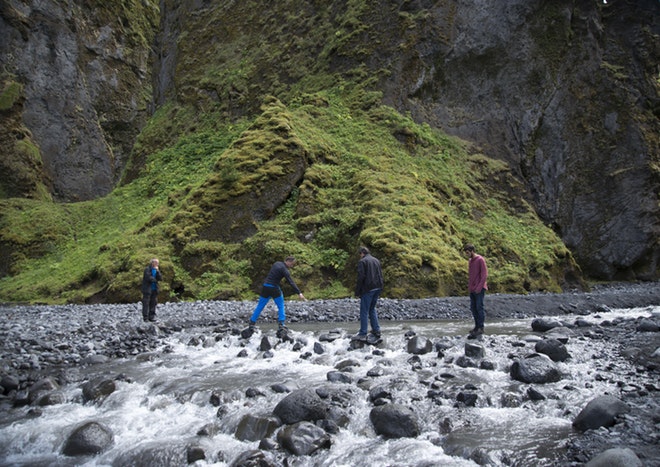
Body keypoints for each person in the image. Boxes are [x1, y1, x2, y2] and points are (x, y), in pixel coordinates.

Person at [249, 256, 305, 330]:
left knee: (260, 306)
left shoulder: (276, 263)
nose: (292, 266)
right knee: (281, 305)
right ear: (288, 261)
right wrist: (299, 293)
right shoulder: (284, 270)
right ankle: (281, 324)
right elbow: (291, 282)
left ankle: (252, 323)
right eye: (292, 264)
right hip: (274, 287)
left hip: (265, 286)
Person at [354, 246, 384, 341]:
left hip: (368, 289)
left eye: (360, 254)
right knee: (372, 308)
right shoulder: (376, 260)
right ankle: (376, 330)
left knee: (364, 311)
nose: (360, 256)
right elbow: (380, 274)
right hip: (378, 287)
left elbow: (361, 277)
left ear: (362, 253)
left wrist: (358, 291)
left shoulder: (363, 262)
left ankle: (363, 333)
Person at [464, 244, 488, 338]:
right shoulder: (470, 261)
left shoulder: (480, 260)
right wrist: (470, 288)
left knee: (479, 307)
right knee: (473, 308)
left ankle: (481, 328)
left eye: (468, 252)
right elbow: (471, 276)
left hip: (480, 288)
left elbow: (484, 275)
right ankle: (476, 326)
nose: (467, 254)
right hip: (472, 289)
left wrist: (479, 287)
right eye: (466, 253)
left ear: (472, 251)